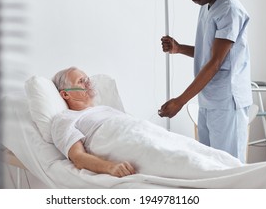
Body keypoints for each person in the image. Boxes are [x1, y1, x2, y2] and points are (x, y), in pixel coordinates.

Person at [51, 66, 244, 179]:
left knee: (196, 149)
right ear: (65, 94)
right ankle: (239, 181)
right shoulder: (64, 119)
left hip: (142, 130)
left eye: (87, 79)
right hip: (120, 139)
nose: (88, 83)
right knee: (180, 159)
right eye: (81, 81)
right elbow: (77, 156)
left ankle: (243, 172)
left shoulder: (105, 109)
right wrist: (110, 166)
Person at [158, 0, 253, 162]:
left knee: (228, 167)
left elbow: (216, 62)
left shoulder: (230, 10)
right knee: (208, 164)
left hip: (227, 100)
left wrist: (180, 101)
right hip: (209, 100)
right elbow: (208, 52)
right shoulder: (207, 4)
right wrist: (179, 48)